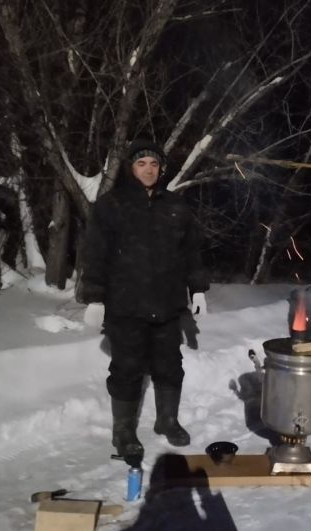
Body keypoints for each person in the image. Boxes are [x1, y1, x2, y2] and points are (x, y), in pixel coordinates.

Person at [78, 140, 209, 463]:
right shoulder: (112, 205)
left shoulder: (176, 206)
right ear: (130, 168)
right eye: (141, 164)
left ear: (161, 169)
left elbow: (192, 252)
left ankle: (167, 420)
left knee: (169, 366)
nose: (148, 169)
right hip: (126, 304)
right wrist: (95, 298)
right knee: (127, 368)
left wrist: (199, 289)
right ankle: (123, 430)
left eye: (153, 164)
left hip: (167, 303)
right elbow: (95, 253)